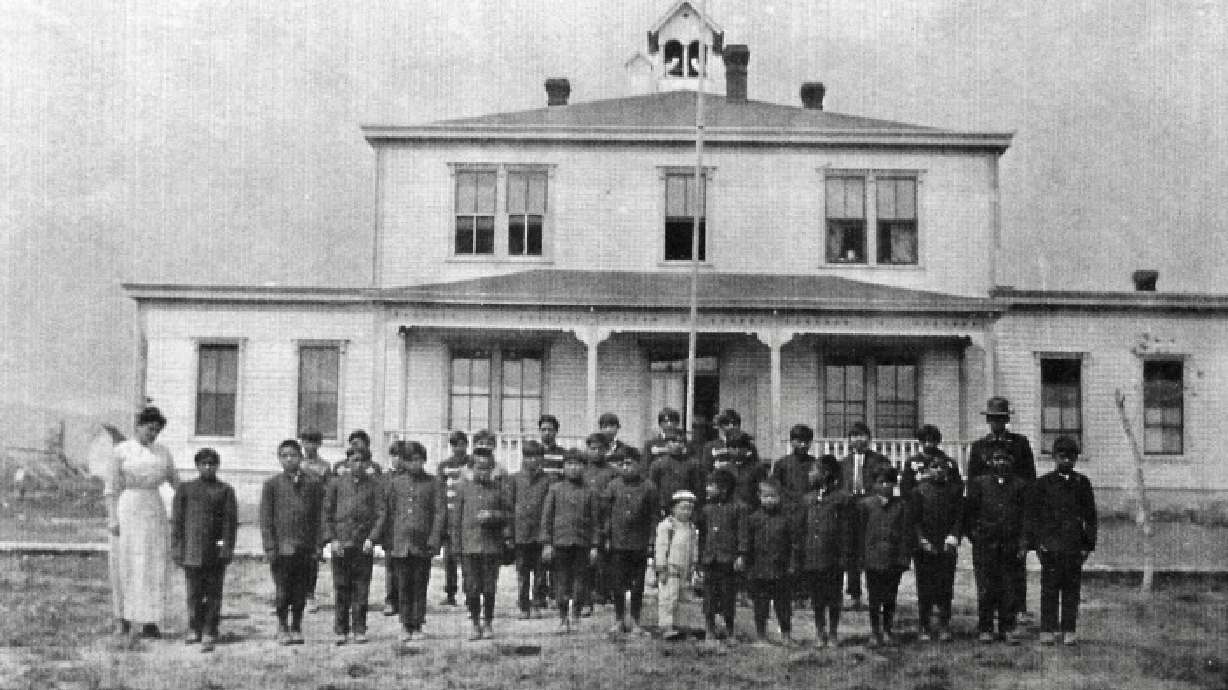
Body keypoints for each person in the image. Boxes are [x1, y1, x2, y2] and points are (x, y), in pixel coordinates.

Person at [105, 406, 179, 642]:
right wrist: (113, 518)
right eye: (149, 429)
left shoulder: (163, 453)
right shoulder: (121, 451)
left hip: (153, 510)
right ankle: (122, 619)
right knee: (126, 563)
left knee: (151, 564)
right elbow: (111, 489)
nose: (153, 434)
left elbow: (177, 484)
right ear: (138, 426)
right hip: (128, 509)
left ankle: (149, 621)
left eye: (157, 430)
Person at [965, 397, 1037, 622]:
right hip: (987, 511)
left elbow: (1029, 478)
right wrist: (973, 524)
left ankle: (1018, 609)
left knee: (1015, 565)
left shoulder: (1019, 443)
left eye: (1000, 419)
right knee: (988, 569)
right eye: (992, 419)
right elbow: (972, 483)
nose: (996, 423)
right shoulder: (979, 447)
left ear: (1007, 420)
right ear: (988, 421)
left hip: (1013, 508)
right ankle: (990, 612)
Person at [1028, 436, 1097, 646]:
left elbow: (1090, 517)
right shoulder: (1043, 484)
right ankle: (1048, 628)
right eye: (1061, 456)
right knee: (1049, 589)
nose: (1066, 461)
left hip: (1074, 546)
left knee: (1071, 590)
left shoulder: (1082, 484)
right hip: (1050, 546)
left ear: (1076, 459)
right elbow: (1034, 516)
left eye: (1070, 457)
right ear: (1054, 457)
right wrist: (1039, 544)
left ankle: (1068, 629)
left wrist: (1087, 546)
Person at [171, 447, 237, 653]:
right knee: (193, 593)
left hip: (215, 552)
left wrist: (226, 548)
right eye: (204, 464)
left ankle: (210, 629)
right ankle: (194, 627)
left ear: (217, 466)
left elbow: (230, 522)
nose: (208, 467)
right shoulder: (186, 489)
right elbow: (178, 522)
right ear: (197, 466)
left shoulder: (225, 490)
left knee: (214, 592)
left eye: (212, 464)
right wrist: (177, 548)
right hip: (192, 550)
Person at [260, 439, 325, 645]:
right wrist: (270, 547)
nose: (289, 459)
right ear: (279, 459)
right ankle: (282, 625)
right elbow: (266, 519)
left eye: (293, 455)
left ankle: (296, 625)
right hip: (281, 548)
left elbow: (318, 517)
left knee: (300, 590)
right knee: (282, 590)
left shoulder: (313, 483)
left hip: (305, 547)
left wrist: (318, 545)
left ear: (301, 457)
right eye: (285, 456)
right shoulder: (272, 485)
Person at [963, 448, 1028, 644]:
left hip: (1010, 544)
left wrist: (1023, 542)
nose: (1001, 463)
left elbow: (1026, 516)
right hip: (985, 544)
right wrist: (975, 535)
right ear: (990, 462)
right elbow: (969, 513)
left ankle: (1008, 627)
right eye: (997, 459)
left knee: (1009, 587)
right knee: (986, 586)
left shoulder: (1020, 485)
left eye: (1005, 459)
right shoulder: (979, 483)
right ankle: (986, 627)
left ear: (1011, 461)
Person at [383, 440, 445, 645]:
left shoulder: (433, 483)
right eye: (410, 460)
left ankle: (417, 624)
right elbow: (389, 513)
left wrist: (434, 539)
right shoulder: (395, 483)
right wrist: (389, 540)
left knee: (420, 585)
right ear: (404, 462)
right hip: (400, 543)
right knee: (402, 585)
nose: (415, 465)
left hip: (422, 544)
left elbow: (439, 513)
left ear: (424, 460)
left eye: (419, 460)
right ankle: (404, 624)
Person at [322, 446, 385, 645]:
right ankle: (341, 629)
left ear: (368, 464)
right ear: (347, 462)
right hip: (341, 543)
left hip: (363, 544)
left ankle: (359, 628)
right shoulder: (336, 484)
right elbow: (327, 514)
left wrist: (372, 538)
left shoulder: (375, 485)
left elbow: (381, 514)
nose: (358, 464)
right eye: (354, 460)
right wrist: (332, 539)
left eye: (362, 461)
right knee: (341, 587)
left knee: (361, 588)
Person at [451, 453, 512, 640]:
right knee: (471, 587)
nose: (483, 472)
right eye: (479, 468)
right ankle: (475, 623)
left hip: (491, 547)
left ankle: (488, 622)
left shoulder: (499, 489)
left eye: (487, 468)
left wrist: (493, 515)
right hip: (469, 547)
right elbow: (456, 522)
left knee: (489, 587)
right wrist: (456, 548)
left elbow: (509, 515)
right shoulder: (462, 489)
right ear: (471, 469)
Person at [540, 450, 600, 633]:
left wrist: (595, 545)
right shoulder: (555, 489)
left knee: (581, 581)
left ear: (584, 467)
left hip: (582, 543)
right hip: (560, 543)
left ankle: (576, 615)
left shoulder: (590, 492)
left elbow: (596, 521)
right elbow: (547, 518)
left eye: (578, 464)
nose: (574, 468)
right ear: (564, 467)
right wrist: (547, 543)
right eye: (570, 464)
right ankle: (562, 617)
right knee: (561, 581)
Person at [798, 458, 854, 649]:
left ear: (825, 474)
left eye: (813, 471)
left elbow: (847, 530)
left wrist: (845, 555)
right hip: (813, 555)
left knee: (834, 595)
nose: (809, 474)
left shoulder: (842, 498)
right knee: (817, 596)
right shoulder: (807, 499)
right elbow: (802, 528)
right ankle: (819, 631)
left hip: (833, 556)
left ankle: (833, 633)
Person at [855, 467, 914, 648]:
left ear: (894, 484)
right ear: (874, 485)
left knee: (890, 596)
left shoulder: (901, 505)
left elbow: (906, 534)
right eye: (881, 482)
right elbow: (859, 533)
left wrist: (904, 558)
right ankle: (875, 631)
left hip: (893, 559)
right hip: (872, 559)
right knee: (874, 597)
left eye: (889, 482)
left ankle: (888, 630)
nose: (885, 486)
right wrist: (861, 558)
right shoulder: (865, 505)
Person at [601, 451, 658, 636]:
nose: (626, 467)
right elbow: (606, 515)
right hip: (618, 544)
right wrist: (607, 538)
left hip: (639, 544)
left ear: (639, 465)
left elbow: (653, 517)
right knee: (617, 583)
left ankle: (634, 620)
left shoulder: (649, 487)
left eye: (630, 463)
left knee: (637, 585)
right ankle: (619, 619)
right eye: (623, 464)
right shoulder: (613, 486)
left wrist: (650, 542)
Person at [911, 454, 964, 642]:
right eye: (934, 466)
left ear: (948, 470)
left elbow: (959, 517)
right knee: (924, 586)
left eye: (942, 467)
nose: (939, 470)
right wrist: (921, 540)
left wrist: (953, 536)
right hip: (925, 546)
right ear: (928, 470)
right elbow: (915, 519)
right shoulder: (919, 491)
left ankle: (944, 624)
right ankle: (924, 625)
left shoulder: (955, 490)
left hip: (946, 545)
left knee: (945, 586)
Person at [838, 421, 889, 609]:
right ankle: (854, 594)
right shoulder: (843, 463)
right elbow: (840, 487)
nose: (858, 439)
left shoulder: (880, 461)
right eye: (854, 436)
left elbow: (884, 485)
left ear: (869, 439)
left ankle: (878, 595)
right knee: (852, 552)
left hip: (872, 512)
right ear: (849, 440)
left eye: (862, 435)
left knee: (873, 552)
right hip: (850, 512)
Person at [696, 470, 748, 652]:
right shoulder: (706, 509)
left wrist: (741, 554)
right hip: (710, 559)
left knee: (727, 596)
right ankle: (709, 630)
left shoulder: (739, 508)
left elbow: (742, 533)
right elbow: (702, 535)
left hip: (728, 560)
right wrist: (700, 559)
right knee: (709, 596)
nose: (707, 489)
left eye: (711, 486)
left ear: (724, 489)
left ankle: (730, 631)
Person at [745, 480, 797, 647]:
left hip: (780, 570)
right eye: (766, 496)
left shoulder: (786, 519)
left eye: (773, 496)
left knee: (783, 605)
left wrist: (792, 564)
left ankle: (786, 635)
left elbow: (793, 544)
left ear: (780, 497)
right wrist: (748, 565)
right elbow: (748, 545)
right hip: (759, 570)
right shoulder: (753, 519)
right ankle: (761, 636)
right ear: (759, 497)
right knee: (761, 605)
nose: (769, 500)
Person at [509, 441, 553, 619]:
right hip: (520, 534)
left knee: (540, 572)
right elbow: (509, 507)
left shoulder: (548, 481)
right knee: (522, 571)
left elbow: (550, 509)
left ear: (541, 459)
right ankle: (523, 605)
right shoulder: (514, 479)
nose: (532, 460)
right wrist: (509, 534)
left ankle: (537, 603)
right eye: (528, 456)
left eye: (536, 457)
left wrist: (548, 537)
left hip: (540, 534)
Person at [655, 490, 699, 641]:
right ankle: (666, 626)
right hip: (670, 568)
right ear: (673, 508)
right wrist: (661, 568)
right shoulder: (668, 526)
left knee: (684, 598)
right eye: (683, 508)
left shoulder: (691, 527)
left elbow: (694, 547)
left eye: (689, 508)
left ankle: (682, 626)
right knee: (668, 598)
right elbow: (661, 547)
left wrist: (694, 563)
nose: (686, 512)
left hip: (685, 569)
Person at [583, 432, 618, 612]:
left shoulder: (612, 472)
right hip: (585, 521)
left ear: (606, 450)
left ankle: (603, 593)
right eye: (592, 448)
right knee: (586, 560)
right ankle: (586, 597)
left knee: (605, 559)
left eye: (599, 449)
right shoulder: (582, 470)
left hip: (605, 518)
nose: (596, 452)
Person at [437, 430, 472, 606]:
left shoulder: (472, 464)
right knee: (449, 558)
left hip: (466, 518)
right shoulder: (444, 466)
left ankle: (469, 594)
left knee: (466, 559)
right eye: (454, 444)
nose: (458, 448)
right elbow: (440, 492)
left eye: (461, 444)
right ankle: (450, 593)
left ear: (466, 445)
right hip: (449, 517)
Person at [299, 429, 331, 614]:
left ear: (319, 444)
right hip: (297, 516)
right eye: (306, 441)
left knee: (312, 558)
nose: (309, 446)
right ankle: (293, 596)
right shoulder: (296, 462)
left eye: (313, 442)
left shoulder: (324, 467)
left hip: (314, 516)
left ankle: (310, 595)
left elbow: (328, 494)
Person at [648, 428, 706, 518]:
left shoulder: (693, 464)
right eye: (674, 441)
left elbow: (698, 488)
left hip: (686, 509)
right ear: (667, 443)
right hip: (664, 509)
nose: (677, 444)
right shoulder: (658, 464)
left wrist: (695, 508)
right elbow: (653, 489)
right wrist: (658, 507)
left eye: (681, 442)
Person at [901, 424, 962, 495]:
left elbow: (958, 487)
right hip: (920, 501)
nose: (928, 444)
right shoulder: (911, 462)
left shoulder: (949, 463)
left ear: (938, 441)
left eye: (931, 440)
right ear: (920, 442)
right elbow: (905, 488)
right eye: (924, 441)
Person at [699, 409, 760, 476]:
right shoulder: (710, 447)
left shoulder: (749, 446)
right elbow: (705, 472)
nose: (731, 426)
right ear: (719, 426)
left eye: (735, 423)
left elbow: (755, 470)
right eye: (726, 423)